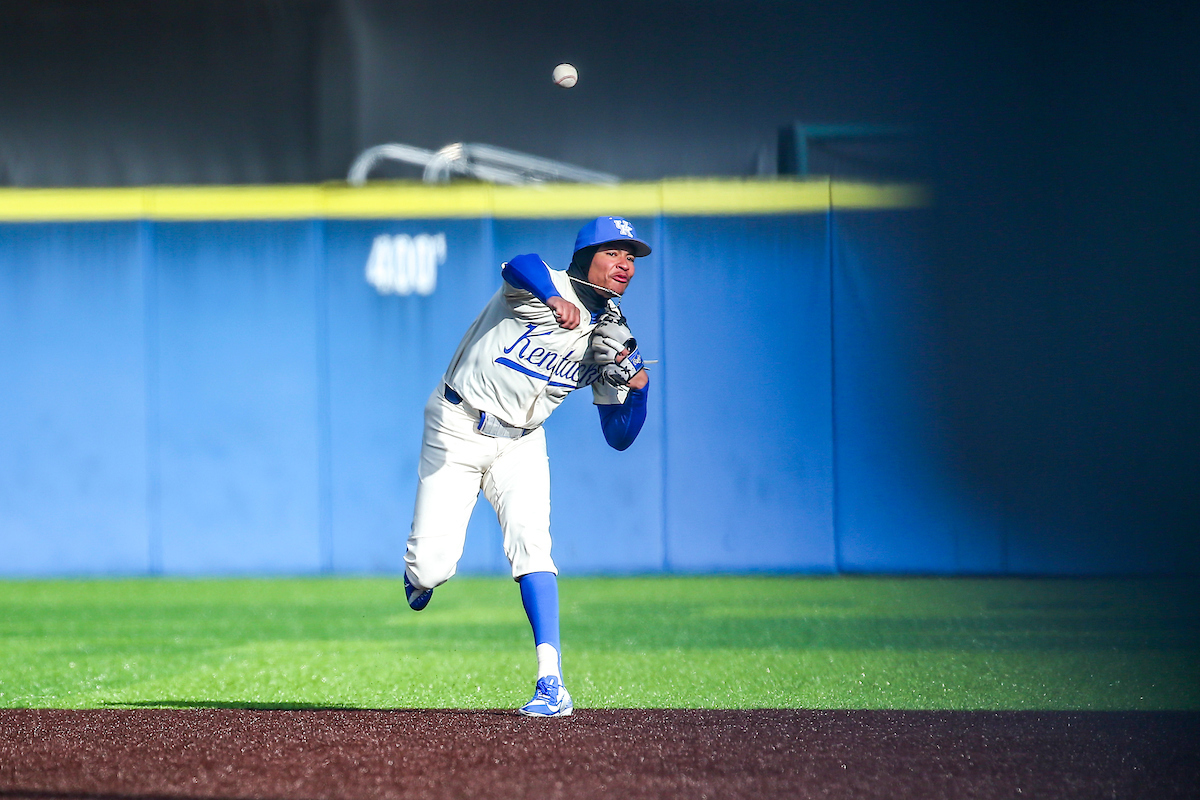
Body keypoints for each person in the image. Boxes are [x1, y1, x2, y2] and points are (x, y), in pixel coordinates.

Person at [402, 216, 652, 717]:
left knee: (533, 545)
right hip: (458, 422)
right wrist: (555, 299)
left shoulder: (612, 336)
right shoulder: (544, 285)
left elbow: (618, 437)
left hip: (522, 443)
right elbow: (519, 264)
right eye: (614, 252)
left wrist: (639, 389)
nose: (625, 264)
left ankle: (550, 681)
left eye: (631, 256)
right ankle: (420, 580)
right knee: (432, 567)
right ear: (586, 255)